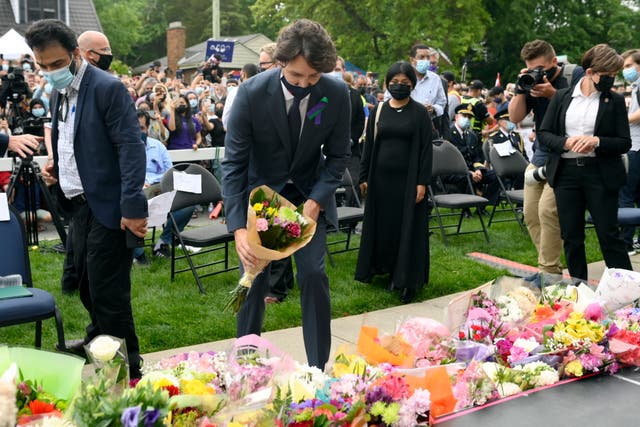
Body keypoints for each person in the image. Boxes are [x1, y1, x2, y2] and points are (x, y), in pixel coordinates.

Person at [221, 19, 351, 370]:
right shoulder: (250, 94)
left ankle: (317, 369)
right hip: (262, 198)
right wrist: (237, 229)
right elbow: (233, 163)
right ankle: (246, 366)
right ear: (280, 63)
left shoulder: (336, 95)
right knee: (254, 277)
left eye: (313, 78)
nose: (306, 85)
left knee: (313, 275)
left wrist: (317, 199)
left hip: (308, 196)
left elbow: (339, 155)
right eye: (296, 77)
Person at [26, 19, 148, 379]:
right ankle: (99, 338)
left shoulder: (107, 88)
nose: (50, 72)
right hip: (78, 203)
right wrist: (58, 168)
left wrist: (132, 207)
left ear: (76, 54)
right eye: (42, 66)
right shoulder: (56, 92)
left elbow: (130, 148)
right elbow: (71, 138)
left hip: (109, 207)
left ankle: (128, 368)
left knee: (109, 293)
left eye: (56, 64)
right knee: (86, 283)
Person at [538, 44, 632, 281]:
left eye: (614, 75)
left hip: (600, 173)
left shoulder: (615, 101)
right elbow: (545, 134)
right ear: (590, 72)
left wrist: (597, 141)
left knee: (609, 235)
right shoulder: (562, 97)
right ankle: (578, 289)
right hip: (567, 173)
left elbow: (623, 142)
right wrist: (566, 143)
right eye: (608, 75)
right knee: (571, 236)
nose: (612, 79)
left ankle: (629, 293)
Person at [355, 61, 432, 304]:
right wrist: (364, 176)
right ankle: (383, 269)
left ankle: (405, 278)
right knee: (384, 226)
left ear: (412, 85)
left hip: (408, 182)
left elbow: (425, 151)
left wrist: (422, 182)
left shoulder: (419, 113)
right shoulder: (379, 110)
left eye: (405, 83)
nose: (399, 86)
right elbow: (369, 146)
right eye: (395, 83)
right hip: (380, 180)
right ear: (388, 84)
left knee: (406, 226)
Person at [509, 40, 569, 276]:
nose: (537, 74)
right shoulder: (531, 84)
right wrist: (521, 88)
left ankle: (548, 271)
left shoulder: (570, 80)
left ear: (554, 62)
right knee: (531, 214)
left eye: (541, 69)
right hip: (542, 152)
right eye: (531, 68)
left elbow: (576, 110)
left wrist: (552, 93)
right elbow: (515, 116)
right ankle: (550, 266)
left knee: (548, 211)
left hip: (565, 152)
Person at [619, 49, 640, 253]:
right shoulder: (636, 86)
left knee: (625, 194)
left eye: (628, 66)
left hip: (636, 147)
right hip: (636, 146)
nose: (625, 70)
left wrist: (621, 121)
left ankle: (625, 242)